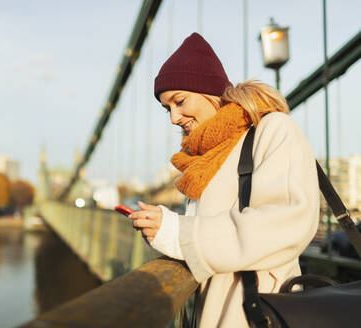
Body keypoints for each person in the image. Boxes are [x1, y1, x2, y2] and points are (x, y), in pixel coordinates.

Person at [128, 33, 320, 327]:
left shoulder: (274, 130)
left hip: (260, 313)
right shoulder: (204, 160)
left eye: (179, 101)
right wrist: (163, 229)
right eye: (167, 108)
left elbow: (286, 223)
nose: (173, 118)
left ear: (208, 91)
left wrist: (180, 233)